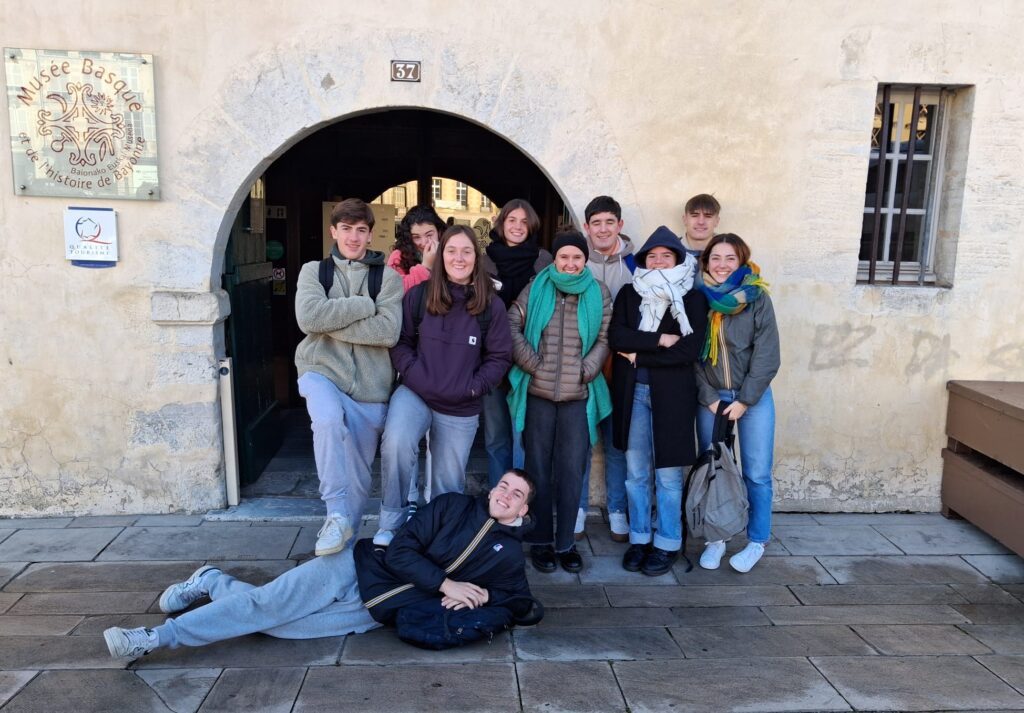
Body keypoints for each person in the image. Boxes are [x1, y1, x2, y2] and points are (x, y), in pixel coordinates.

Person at [104, 470, 539, 658]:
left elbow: (522, 603)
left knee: (278, 626)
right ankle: (153, 638)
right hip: (355, 569)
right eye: (502, 485)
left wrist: (480, 599)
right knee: (263, 608)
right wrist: (447, 585)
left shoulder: (510, 554)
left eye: (515, 493)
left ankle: (213, 581)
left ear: (522, 511)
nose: (503, 494)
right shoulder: (451, 506)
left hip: (375, 610)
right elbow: (403, 550)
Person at [374, 225, 513, 546]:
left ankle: (438, 534)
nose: (458, 258)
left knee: (448, 484)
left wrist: (474, 387)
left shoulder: (491, 305)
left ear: (476, 259)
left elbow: (500, 356)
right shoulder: (419, 295)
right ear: (440, 256)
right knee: (396, 443)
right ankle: (392, 522)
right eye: (451, 251)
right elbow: (400, 343)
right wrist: (414, 374)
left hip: (462, 402)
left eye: (466, 251)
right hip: (416, 392)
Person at [294, 198, 403, 557]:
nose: (353, 237)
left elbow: (387, 333)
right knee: (326, 420)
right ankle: (334, 513)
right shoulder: (314, 272)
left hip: (370, 390)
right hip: (321, 372)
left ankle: (344, 542)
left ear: (371, 234)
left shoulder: (386, 277)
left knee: (358, 477)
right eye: (346, 229)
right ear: (333, 231)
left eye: (361, 230)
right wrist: (362, 306)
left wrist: (331, 322)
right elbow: (309, 320)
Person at [508, 231, 612, 574]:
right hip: (538, 395)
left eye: (576, 258)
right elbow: (512, 325)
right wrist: (533, 365)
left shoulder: (599, 293)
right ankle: (539, 541)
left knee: (571, 471)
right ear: (555, 259)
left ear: (585, 260)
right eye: (564, 257)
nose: (570, 263)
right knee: (536, 469)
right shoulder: (536, 287)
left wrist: (587, 369)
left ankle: (565, 543)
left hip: (577, 399)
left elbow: (603, 338)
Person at [609, 227, 708, 576]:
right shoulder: (628, 294)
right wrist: (661, 338)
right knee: (636, 473)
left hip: (673, 397)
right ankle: (639, 539)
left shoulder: (693, 299)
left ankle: (667, 542)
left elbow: (688, 350)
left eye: (666, 256)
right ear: (644, 260)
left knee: (668, 477)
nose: (659, 261)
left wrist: (641, 355)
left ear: (678, 260)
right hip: (633, 392)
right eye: (653, 256)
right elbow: (617, 337)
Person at [695, 233, 780, 574]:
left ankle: (756, 540)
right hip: (712, 399)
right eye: (715, 258)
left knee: (757, 473)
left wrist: (745, 400)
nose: (721, 265)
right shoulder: (696, 298)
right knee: (713, 471)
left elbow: (767, 354)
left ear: (741, 261)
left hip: (753, 398)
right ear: (706, 262)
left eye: (730, 258)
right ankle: (716, 538)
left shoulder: (757, 297)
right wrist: (710, 398)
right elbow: (692, 357)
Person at [479, 199, 553, 487]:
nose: (518, 227)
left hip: (532, 360)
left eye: (524, 222)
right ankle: (500, 500)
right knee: (497, 435)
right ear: (501, 223)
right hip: (493, 360)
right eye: (512, 220)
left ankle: (524, 501)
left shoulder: (544, 260)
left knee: (524, 434)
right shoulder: (484, 260)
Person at [578, 195, 636, 542]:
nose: (602, 229)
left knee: (617, 442)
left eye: (609, 222)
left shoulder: (635, 263)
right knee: (580, 440)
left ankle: (617, 510)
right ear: (587, 227)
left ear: (619, 225)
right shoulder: (577, 260)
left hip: (621, 365)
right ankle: (577, 509)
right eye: (596, 223)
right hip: (582, 363)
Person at [387, 204, 446, 293]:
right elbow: (394, 290)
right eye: (416, 237)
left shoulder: (449, 251)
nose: (424, 242)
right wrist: (426, 266)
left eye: (429, 235)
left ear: (439, 232)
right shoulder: (398, 256)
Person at [680, 193, 721, 262]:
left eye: (708, 216)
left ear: (717, 221)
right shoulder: (670, 251)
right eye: (694, 215)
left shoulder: (733, 251)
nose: (701, 222)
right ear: (685, 219)